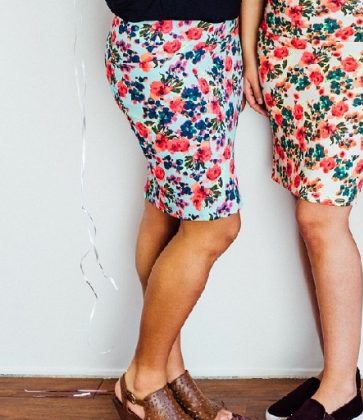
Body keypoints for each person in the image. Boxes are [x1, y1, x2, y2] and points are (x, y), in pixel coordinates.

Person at [240, 0, 363, 418]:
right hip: (285, 42)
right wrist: (250, 53)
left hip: (356, 43)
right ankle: (335, 375)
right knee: (308, 215)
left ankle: (341, 390)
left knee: (320, 217)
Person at [105, 0, 245, 419]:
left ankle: (167, 368)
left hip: (217, 42)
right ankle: (142, 380)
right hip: (162, 41)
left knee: (168, 204)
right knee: (215, 226)